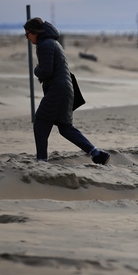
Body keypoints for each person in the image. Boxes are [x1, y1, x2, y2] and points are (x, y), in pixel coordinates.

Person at [24, 17, 110, 165]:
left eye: (27, 34)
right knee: (65, 128)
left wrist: (36, 69)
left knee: (40, 122)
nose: (27, 38)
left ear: (35, 32)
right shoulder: (53, 43)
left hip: (58, 90)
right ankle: (97, 154)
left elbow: (46, 71)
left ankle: (41, 161)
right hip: (65, 88)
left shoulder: (44, 44)